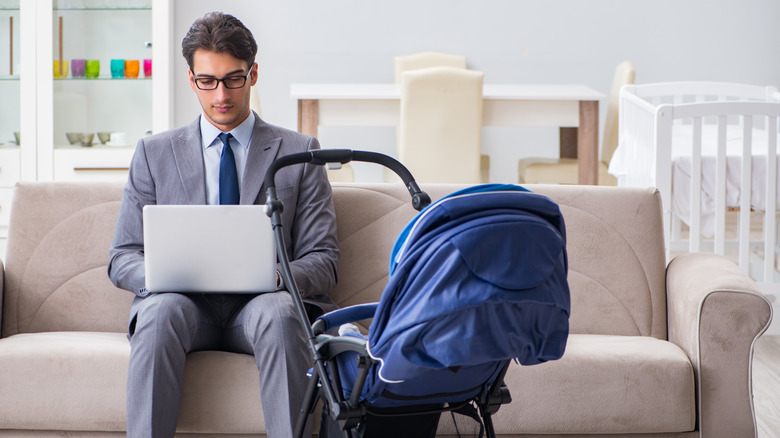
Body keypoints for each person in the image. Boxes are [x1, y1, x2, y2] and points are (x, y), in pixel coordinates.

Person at [108, 11, 339, 438]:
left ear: (253, 74)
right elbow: (122, 255)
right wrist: (157, 275)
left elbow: (324, 259)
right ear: (191, 78)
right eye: (207, 81)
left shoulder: (300, 152)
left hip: (261, 306)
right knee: (158, 311)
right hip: (184, 307)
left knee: (280, 311)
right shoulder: (153, 153)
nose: (221, 95)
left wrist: (276, 276)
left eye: (233, 79)